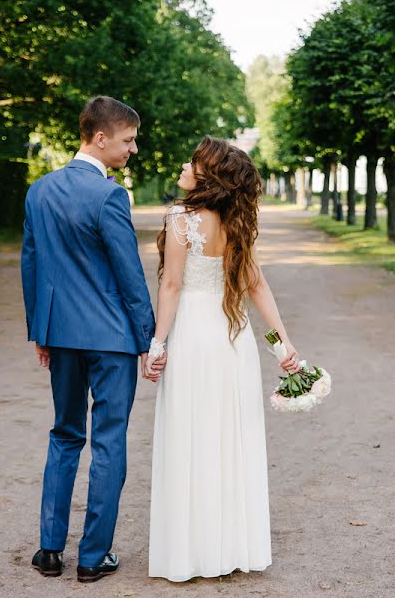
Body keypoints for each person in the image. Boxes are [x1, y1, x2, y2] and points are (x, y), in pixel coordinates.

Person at [20, 95, 165, 583]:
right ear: (99, 138)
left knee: (64, 435)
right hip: (110, 339)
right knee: (108, 441)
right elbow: (129, 275)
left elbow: (33, 268)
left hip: (60, 335)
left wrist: (40, 331)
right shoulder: (109, 195)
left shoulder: (38, 191)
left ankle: (48, 550)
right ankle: (92, 556)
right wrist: (148, 339)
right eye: (128, 140)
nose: (133, 149)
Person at [145, 136, 300, 582]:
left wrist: (157, 346)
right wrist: (282, 346)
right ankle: (232, 547)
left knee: (190, 437)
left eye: (192, 162)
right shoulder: (236, 223)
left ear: (206, 175)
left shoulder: (180, 219)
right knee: (230, 439)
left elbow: (171, 286)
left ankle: (191, 552)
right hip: (234, 341)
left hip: (194, 335)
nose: (184, 165)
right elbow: (257, 288)